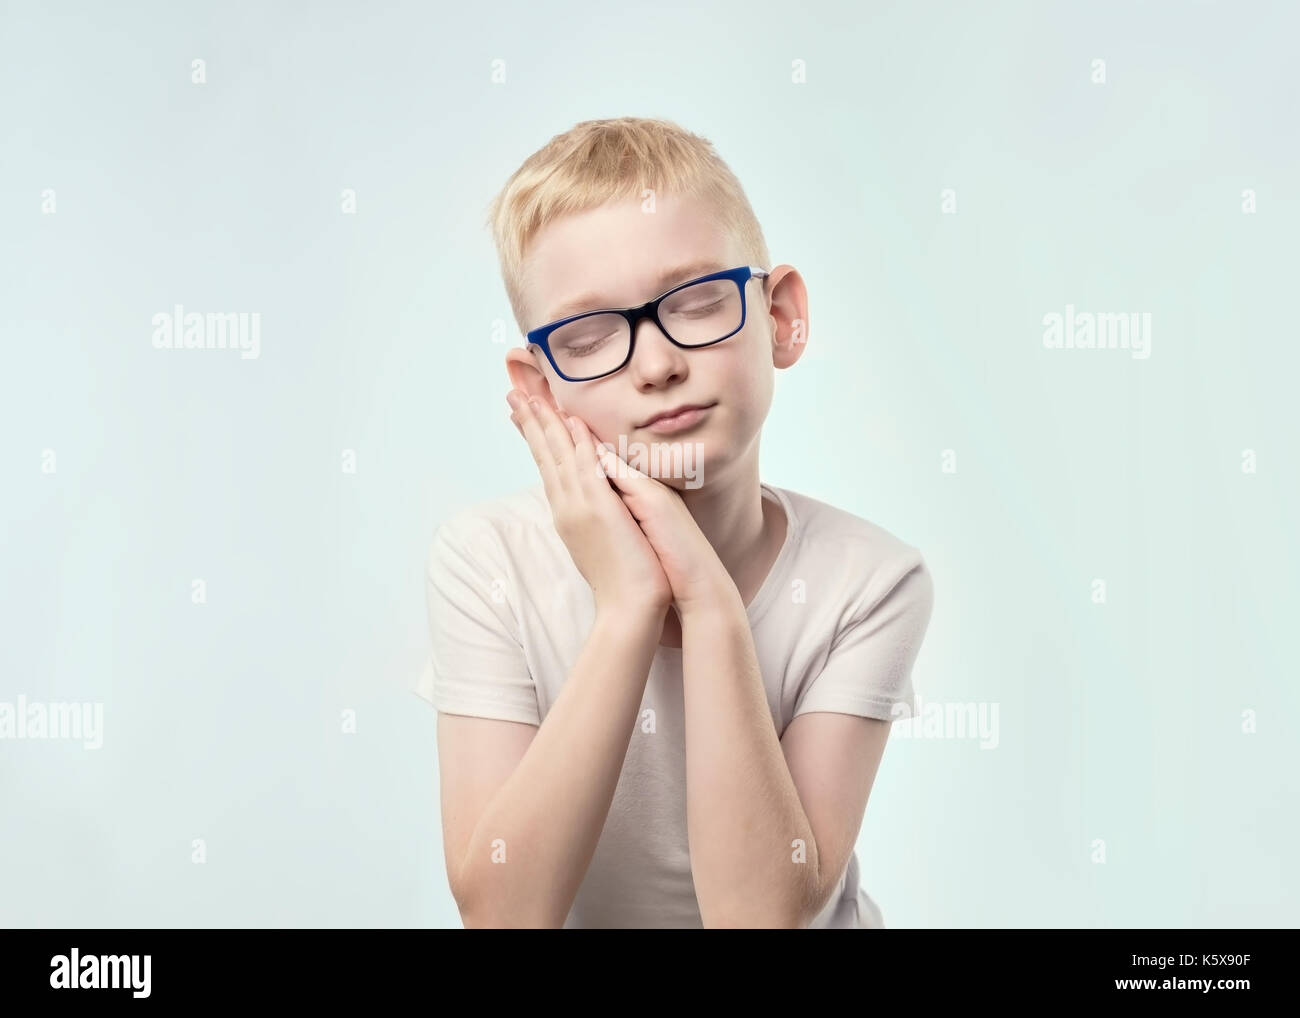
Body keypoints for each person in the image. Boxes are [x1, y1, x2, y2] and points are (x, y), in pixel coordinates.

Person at [414, 116, 934, 928]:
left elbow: (762, 919)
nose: (658, 365)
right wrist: (627, 606)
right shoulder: (487, 561)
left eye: (695, 303)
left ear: (782, 316)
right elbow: (503, 915)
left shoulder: (869, 581)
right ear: (540, 389)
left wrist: (708, 604)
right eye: (589, 336)